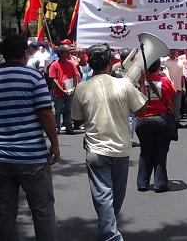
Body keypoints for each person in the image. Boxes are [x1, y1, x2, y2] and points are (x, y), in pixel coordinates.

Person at [0, 34, 60, 241]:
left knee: (4, 214)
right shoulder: (34, 78)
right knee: (43, 211)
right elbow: (45, 113)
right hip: (32, 158)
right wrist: (55, 145)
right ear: (24, 53)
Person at [71, 43, 147, 241]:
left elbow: (77, 119)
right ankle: (111, 234)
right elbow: (141, 112)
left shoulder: (82, 87)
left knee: (104, 195)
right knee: (116, 195)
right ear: (110, 62)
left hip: (96, 149)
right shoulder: (124, 84)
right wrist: (142, 83)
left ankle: (109, 229)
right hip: (121, 149)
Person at [136, 58, 177, 192]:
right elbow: (174, 92)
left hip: (143, 120)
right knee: (160, 152)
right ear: (159, 67)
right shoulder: (164, 81)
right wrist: (165, 76)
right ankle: (160, 183)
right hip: (161, 120)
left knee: (145, 152)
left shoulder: (141, 82)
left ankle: (142, 182)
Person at [49, 45, 80, 134]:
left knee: (69, 110)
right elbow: (54, 79)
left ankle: (69, 127)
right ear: (61, 54)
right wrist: (62, 90)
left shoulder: (70, 63)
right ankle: (56, 128)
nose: (68, 54)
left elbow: (75, 75)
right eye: (66, 52)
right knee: (57, 110)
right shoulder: (54, 65)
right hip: (59, 92)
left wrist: (74, 87)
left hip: (70, 90)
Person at [162, 49, 185, 122]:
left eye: (174, 50)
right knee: (167, 106)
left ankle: (176, 121)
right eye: (171, 50)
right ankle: (168, 122)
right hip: (167, 88)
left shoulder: (180, 62)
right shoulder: (163, 61)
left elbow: (182, 75)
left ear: (176, 51)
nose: (172, 52)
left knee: (177, 106)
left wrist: (183, 87)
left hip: (177, 87)